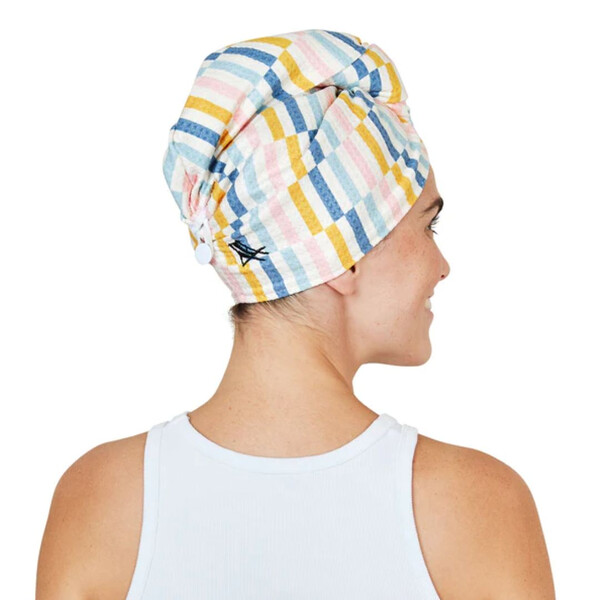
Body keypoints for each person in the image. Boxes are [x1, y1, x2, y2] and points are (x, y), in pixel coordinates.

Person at [36, 29, 555, 599]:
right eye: (428, 225)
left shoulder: (100, 502)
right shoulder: (477, 509)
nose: (442, 266)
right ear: (343, 255)